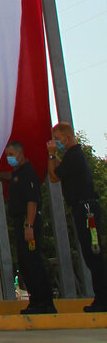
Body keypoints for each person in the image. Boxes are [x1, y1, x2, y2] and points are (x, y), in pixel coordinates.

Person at [0, 141, 56, 315]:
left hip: (28, 222)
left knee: (33, 262)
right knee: (25, 264)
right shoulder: (18, 173)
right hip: (20, 223)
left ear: (20, 153)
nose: (9, 157)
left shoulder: (28, 174)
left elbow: (31, 201)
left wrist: (29, 225)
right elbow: (11, 177)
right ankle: (35, 301)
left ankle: (45, 303)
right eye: (7, 154)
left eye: (11, 154)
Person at [47, 122, 107, 312]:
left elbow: (54, 177)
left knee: (93, 255)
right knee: (91, 254)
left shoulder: (74, 155)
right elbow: (63, 169)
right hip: (82, 207)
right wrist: (56, 157)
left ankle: (102, 299)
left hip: (86, 208)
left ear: (68, 136)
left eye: (58, 139)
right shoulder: (72, 157)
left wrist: (50, 155)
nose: (57, 143)